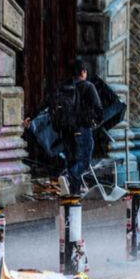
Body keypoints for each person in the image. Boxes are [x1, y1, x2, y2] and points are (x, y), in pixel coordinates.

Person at [24, 59, 103, 195]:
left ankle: (74, 195)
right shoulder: (88, 86)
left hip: (65, 130)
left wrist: (31, 116)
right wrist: (94, 122)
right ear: (83, 72)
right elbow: (99, 110)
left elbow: (45, 104)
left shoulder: (61, 87)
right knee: (84, 161)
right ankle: (67, 176)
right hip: (82, 129)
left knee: (72, 161)